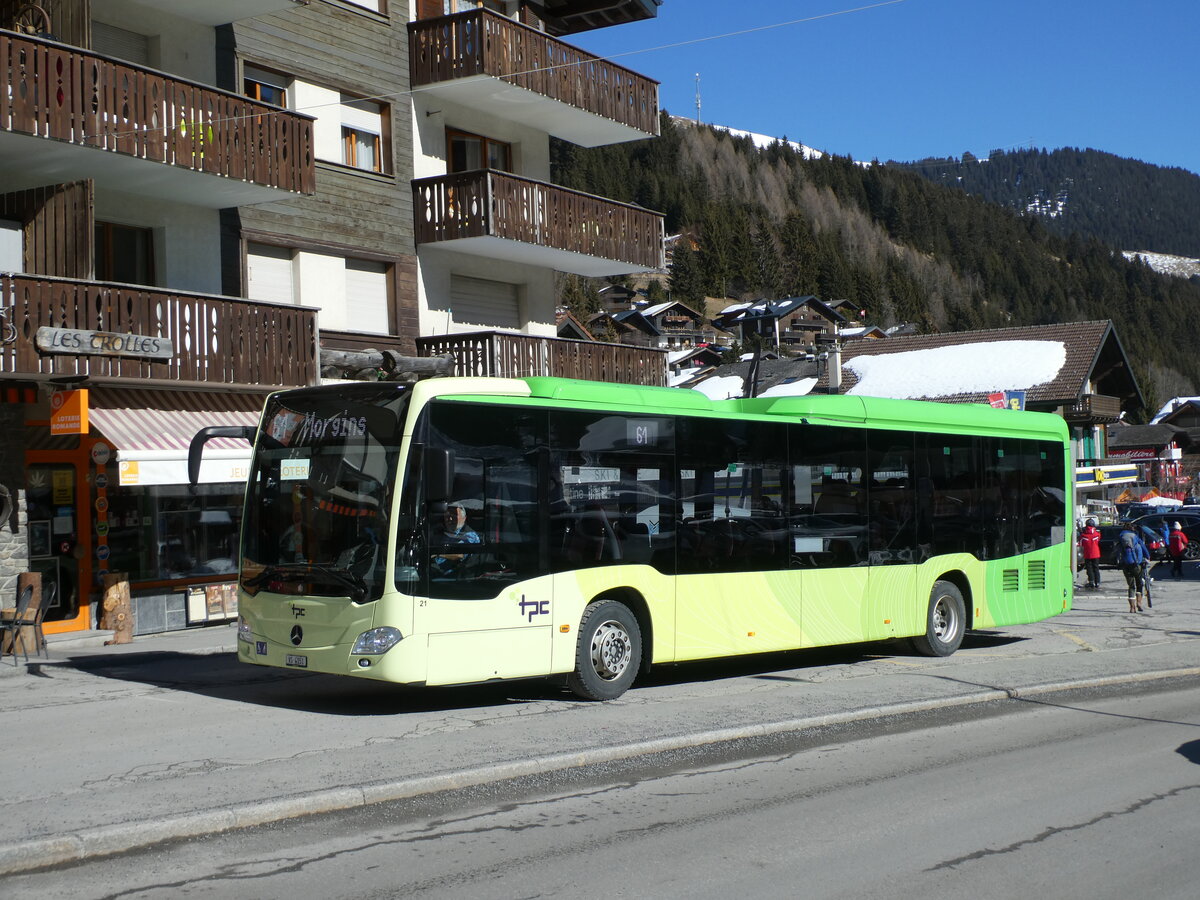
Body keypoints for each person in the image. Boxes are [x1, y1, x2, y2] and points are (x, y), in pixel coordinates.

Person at [432, 502, 480, 575]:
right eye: (447, 515)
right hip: (434, 570)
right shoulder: (441, 532)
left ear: (464, 518)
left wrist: (436, 554)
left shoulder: (470, 535)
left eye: (454, 515)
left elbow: (459, 555)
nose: (450, 519)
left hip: (454, 576)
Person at [1115, 523, 1149, 613]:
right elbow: (1143, 547)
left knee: (1131, 586)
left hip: (1125, 564)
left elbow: (1117, 550)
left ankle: (1132, 607)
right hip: (1136, 563)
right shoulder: (1135, 537)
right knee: (1139, 583)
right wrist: (1147, 556)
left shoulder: (1121, 537)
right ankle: (1139, 603)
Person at [1078, 518, 1102, 590]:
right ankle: (1097, 582)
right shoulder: (1097, 534)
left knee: (1089, 568)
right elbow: (1098, 539)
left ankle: (1091, 581)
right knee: (1096, 568)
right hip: (1096, 554)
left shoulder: (1084, 536)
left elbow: (1081, 543)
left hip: (1087, 554)